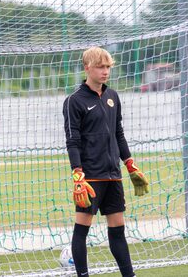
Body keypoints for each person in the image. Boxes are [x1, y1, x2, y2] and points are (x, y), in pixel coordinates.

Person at [63, 46, 149, 277]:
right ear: (87, 67)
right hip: (89, 178)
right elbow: (73, 141)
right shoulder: (74, 101)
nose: (105, 71)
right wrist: (77, 174)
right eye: (100, 67)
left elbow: (118, 133)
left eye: (108, 67)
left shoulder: (113, 97)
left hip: (113, 175)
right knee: (82, 231)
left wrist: (129, 163)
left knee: (118, 231)